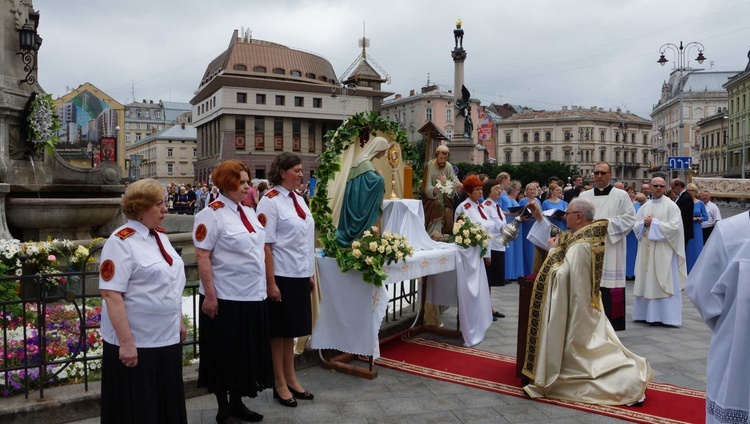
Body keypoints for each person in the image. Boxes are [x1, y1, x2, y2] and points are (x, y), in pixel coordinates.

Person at [522, 198, 652, 404]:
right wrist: (539, 218)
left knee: (584, 357)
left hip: (577, 311)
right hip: (586, 305)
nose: (565, 217)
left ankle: (622, 381)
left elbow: (563, 276)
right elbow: (562, 237)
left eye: (568, 213)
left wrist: (553, 251)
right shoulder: (583, 236)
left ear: (579, 217)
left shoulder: (582, 246)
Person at [99, 179, 187, 423]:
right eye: (158, 203)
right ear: (140, 207)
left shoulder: (159, 236)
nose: (165, 209)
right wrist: (126, 343)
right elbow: (111, 294)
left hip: (165, 339)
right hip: (138, 343)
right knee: (139, 407)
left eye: (164, 202)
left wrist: (178, 320)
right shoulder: (121, 242)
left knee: (165, 404)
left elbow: (170, 283)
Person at [193, 160, 272, 423]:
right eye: (242, 182)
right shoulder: (211, 214)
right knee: (224, 352)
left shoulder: (247, 211)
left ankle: (238, 402)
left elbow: (259, 248)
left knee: (243, 353)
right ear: (227, 183)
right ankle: (223, 407)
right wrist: (210, 296)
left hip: (252, 295)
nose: (248, 187)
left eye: (248, 181)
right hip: (226, 297)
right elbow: (203, 256)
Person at [256, 153, 316, 408]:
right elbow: (266, 246)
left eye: (302, 170)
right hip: (280, 274)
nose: (301, 174)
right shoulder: (270, 202)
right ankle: (278, 382)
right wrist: (271, 283)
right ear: (282, 172)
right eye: (297, 170)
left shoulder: (300, 199)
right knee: (278, 331)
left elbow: (306, 238)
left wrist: (310, 273)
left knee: (291, 331)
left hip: (299, 272)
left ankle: (291, 377)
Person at [685, 210, 750, 424]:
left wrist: (732, 326)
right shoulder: (731, 231)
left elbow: (701, 292)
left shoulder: (731, 231)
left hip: (740, 346)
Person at [578, 162, 635, 331]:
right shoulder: (584, 196)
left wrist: (604, 224)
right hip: (589, 247)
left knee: (609, 284)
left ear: (610, 174)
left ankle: (612, 323)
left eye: (603, 173)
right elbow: (577, 218)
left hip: (611, 246)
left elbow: (630, 219)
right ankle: (588, 322)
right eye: (596, 173)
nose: (599, 176)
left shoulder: (621, 195)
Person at [632, 177, 687, 327]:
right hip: (646, 249)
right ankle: (644, 315)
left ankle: (666, 317)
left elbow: (675, 228)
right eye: (655, 185)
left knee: (664, 280)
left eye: (661, 186)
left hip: (664, 251)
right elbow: (635, 225)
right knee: (646, 279)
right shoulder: (645, 206)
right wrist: (643, 223)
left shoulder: (671, 206)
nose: (658, 188)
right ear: (650, 187)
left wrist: (654, 223)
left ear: (665, 188)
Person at [335, 137, 389, 247]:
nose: (384, 154)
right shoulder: (365, 163)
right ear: (378, 149)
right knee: (363, 234)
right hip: (359, 205)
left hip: (355, 201)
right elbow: (372, 183)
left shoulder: (362, 161)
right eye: (383, 151)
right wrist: (381, 178)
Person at [422, 145, 462, 237]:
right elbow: (425, 186)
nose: (443, 160)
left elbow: (455, 182)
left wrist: (445, 182)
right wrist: (434, 190)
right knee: (436, 205)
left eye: (445, 158)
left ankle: (445, 232)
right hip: (431, 200)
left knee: (447, 211)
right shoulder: (429, 166)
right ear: (436, 156)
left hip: (446, 199)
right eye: (441, 158)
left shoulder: (448, 166)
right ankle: (433, 231)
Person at [482, 179, 507, 319]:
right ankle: (487, 309)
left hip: (500, 245)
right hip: (492, 246)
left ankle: (489, 307)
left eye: (500, 188)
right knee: (488, 279)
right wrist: (487, 252)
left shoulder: (496, 206)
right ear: (488, 191)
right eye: (496, 188)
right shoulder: (486, 206)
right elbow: (487, 229)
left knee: (491, 280)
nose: (499, 190)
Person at [500, 179, 524, 281]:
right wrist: (511, 214)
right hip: (509, 224)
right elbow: (500, 210)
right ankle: (506, 274)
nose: (518, 192)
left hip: (516, 225)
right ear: (512, 189)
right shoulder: (505, 198)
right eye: (517, 189)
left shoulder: (514, 200)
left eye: (519, 190)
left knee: (515, 251)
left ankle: (513, 274)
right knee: (509, 251)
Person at [518, 183, 541, 276]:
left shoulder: (538, 201)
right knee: (527, 248)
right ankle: (526, 271)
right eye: (530, 189)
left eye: (533, 189)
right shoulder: (523, 201)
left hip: (536, 225)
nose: (532, 191)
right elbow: (520, 212)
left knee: (535, 248)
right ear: (526, 191)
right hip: (526, 225)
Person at [685, 183, 707, 274]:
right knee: (688, 248)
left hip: (696, 227)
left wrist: (697, 219)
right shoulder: (684, 202)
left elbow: (706, 217)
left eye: (692, 190)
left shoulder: (700, 203)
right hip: (687, 227)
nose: (690, 192)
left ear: (696, 192)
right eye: (688, 190)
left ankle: (697, 271)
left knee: (697, 248)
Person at [670, 178, 693, 247]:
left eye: (673, 187)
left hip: (683, 230)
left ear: (679, 186)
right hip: (681, 229)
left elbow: (683, 215)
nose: (672, 190)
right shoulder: (682, 196)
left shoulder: (686, 197)